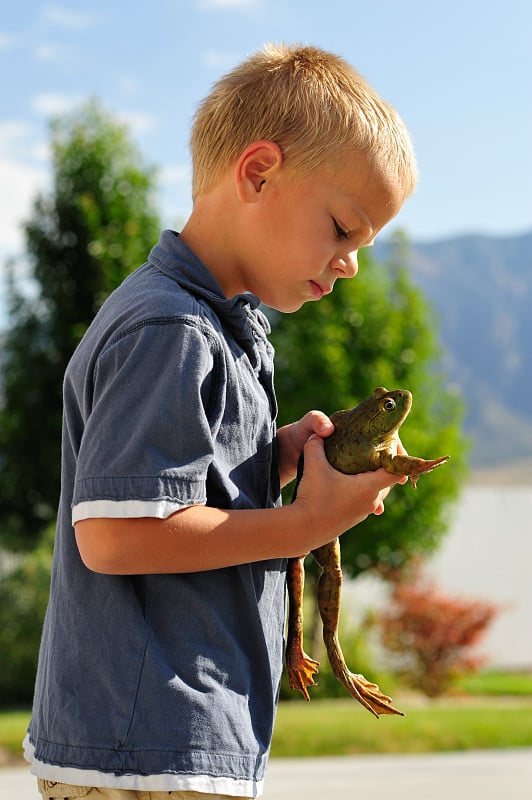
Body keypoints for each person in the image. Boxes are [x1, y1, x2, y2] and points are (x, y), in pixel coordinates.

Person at [26, 43, 417, 800]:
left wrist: (277, 461)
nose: (350, 265)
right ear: (259, 172)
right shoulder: (170, 330)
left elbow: (182, 489)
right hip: (146, 752)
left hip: (171, 743)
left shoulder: (221, 329)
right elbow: (114, 537)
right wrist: (304, 526)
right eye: (342, 228)